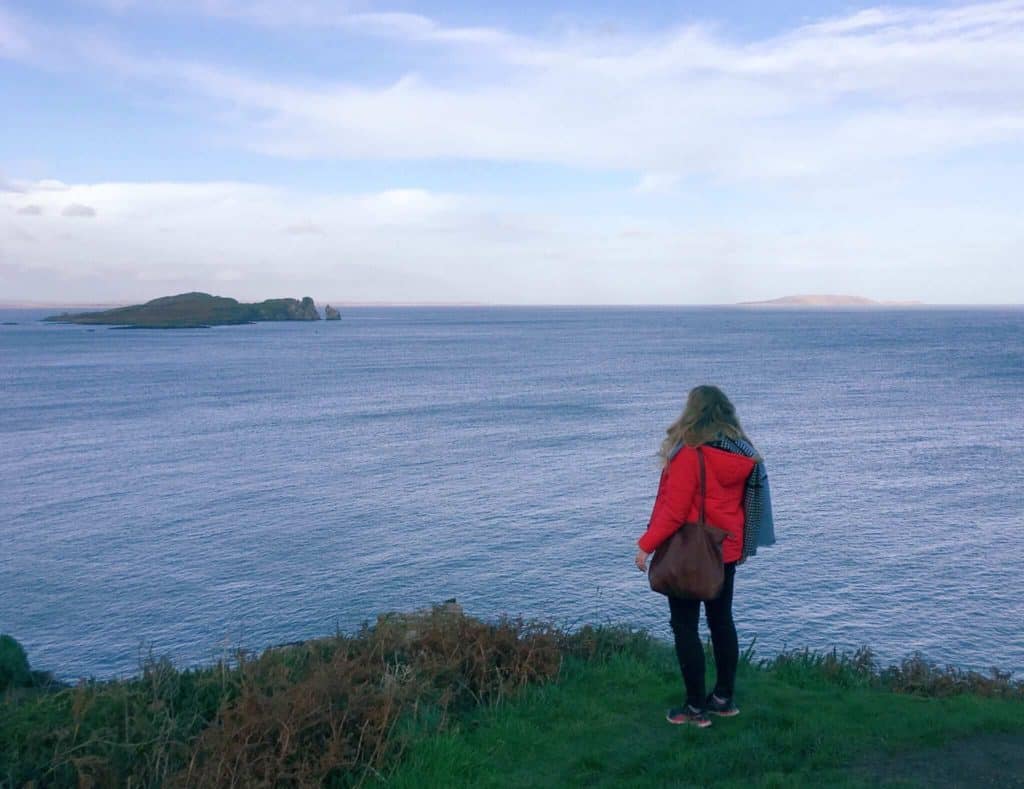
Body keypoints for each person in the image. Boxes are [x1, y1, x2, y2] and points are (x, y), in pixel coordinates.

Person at [635, 385, 775, 728]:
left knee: (684, 627)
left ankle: (695, 708)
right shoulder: (745, 454)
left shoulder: (690, 454)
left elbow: (674, 511)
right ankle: (723, 699)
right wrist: (741, 547)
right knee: (721, 621)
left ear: (692, 412)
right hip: (723, 551)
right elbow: (744, 509)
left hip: (689, 553)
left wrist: (646, 545)